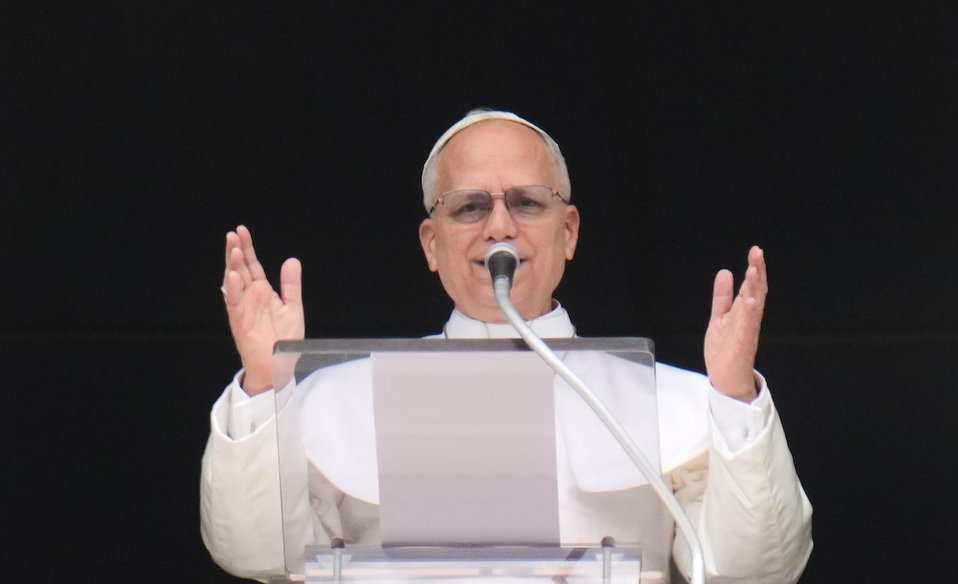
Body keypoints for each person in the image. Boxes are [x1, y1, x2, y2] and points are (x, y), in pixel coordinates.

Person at [201, 109, 813, 583]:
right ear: (430, 244)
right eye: (468, 206)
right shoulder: (337, 397)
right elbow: (254, 555)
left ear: (568, 232)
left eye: (525, 202)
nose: (499, 225)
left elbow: (754, 570)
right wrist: (263, 384)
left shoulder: (666, 400)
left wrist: (732, 397)